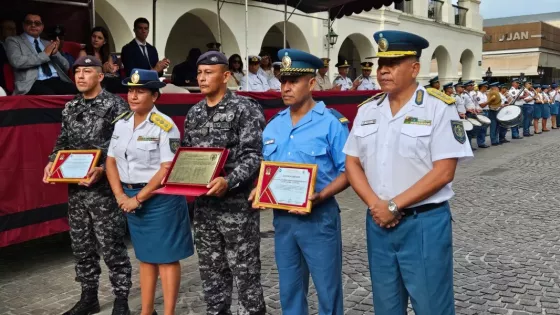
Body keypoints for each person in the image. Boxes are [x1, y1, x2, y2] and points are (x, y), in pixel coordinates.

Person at [343, 30, 473, 315]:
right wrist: (376, 206)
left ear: (414, 68)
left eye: (394, 63)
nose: (384, 70)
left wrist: (393, 205)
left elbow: (443, 172)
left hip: (423, 223)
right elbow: (351, 162)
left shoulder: (438, 108)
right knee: (386, 305)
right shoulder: (368, 111)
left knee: (431, 306)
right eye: (381, 64)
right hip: (378, 222)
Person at [249, 48, 350, 314]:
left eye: (293, 81)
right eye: (283, 81)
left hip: (319, 217)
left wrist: (321, 195)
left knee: (328, 290)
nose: (286, 87)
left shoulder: (332, 123)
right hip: (283, 221)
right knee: (289, 291)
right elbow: (267, 170)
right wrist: (260, 190)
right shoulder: (274, 125)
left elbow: (349, 171)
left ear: (312, 83)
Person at [41, 55, 132, 315]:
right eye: (77, 71)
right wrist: (52, 162)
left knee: (111, 244)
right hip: (77, 190)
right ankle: (88, 296)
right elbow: (63, 142)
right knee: (81, 245)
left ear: (100, 76)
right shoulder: (70, 108)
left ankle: (122, 299)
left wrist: (103, 168)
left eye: (87, 71)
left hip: (105, 190)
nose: (80, 76)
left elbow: (122, 146)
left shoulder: (116, 105)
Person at [183, 51, 266, 315]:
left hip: (237, 207)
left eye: (208, 72)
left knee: (245, 273)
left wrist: (229, 181)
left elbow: (253, 156)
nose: (202, 78)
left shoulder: (244, 108)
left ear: (226, 76)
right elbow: (187, 155)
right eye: (199, 73)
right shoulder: (194, 113)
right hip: (205, 209)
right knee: (211, 272)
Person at [106, 68, 194, 315]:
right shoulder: (121, 123)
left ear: (155, 96)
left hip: (160, 200)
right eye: (131, 90)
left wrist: (138, 198)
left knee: (166, 258)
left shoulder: (164, 126)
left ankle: (168, 312)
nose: (133, 96)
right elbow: (110, 161)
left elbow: (167, 169)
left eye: (140, 91)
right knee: (145, 256)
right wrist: (121, 196)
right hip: (129, 197)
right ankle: (146, 311)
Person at [5, 13, 76, 95]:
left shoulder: (47, 43)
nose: (33, 25)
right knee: (48, 95)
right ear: (23, 25)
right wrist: (45, 54)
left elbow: (66, 66)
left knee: (78, 92)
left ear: (42, 27)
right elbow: (17, 61)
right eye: (29, 22)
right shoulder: (13, 41)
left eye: (37, 23)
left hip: (56, 79)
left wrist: (54, 55)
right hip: (32, 82)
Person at [80, 26, 125, 93]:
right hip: (92, 81)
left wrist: (112, 68)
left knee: (123, 81)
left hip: (106, 80)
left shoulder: (107, 54)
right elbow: (82, 71)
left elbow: (111, 70)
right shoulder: (83, 53)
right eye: (94, 36)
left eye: (99, 38)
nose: (95, 39)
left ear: (104, 42)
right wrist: (102, 70)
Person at [0, 19, 16, 90]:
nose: (13, 31)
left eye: (14, 29)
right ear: (1, 30)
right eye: (9, 29)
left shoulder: (20, 45)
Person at [475, 81, 490, 148]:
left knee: (484, 128)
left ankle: (482, 141)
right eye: (485, 87)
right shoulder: (479, 95)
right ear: (482, 87)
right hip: (482, 112)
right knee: (481, 128)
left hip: (486, 111)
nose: (486, 88)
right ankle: (481, 143)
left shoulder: (484, 94)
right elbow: (482, 105)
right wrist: (490, 100)